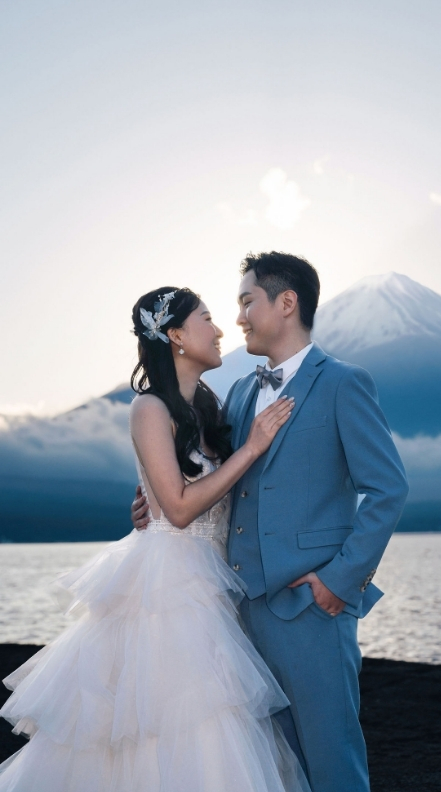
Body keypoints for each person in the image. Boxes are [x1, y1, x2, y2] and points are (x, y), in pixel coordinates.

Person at [0, 287, 309, 791]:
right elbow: (181, 509)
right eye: (207, 319)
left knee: (217, 719)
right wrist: (252, 446)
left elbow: (200, 491)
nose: (219, 328)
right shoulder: (149, 408)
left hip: (217, 580)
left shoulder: (208, 406)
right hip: (172, 590)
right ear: (177, 336)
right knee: (174, 723)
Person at [131, 253, 408, 792]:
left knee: (331, 758)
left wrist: (341, 582)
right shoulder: (237, 393)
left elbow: (388, 488)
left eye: (245, 302)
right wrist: (149, 501)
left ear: (286, 303)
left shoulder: (344, 384)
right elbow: (205, 475)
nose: (237, 319)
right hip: (235, 613)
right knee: (272, 767)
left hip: (310, 607)